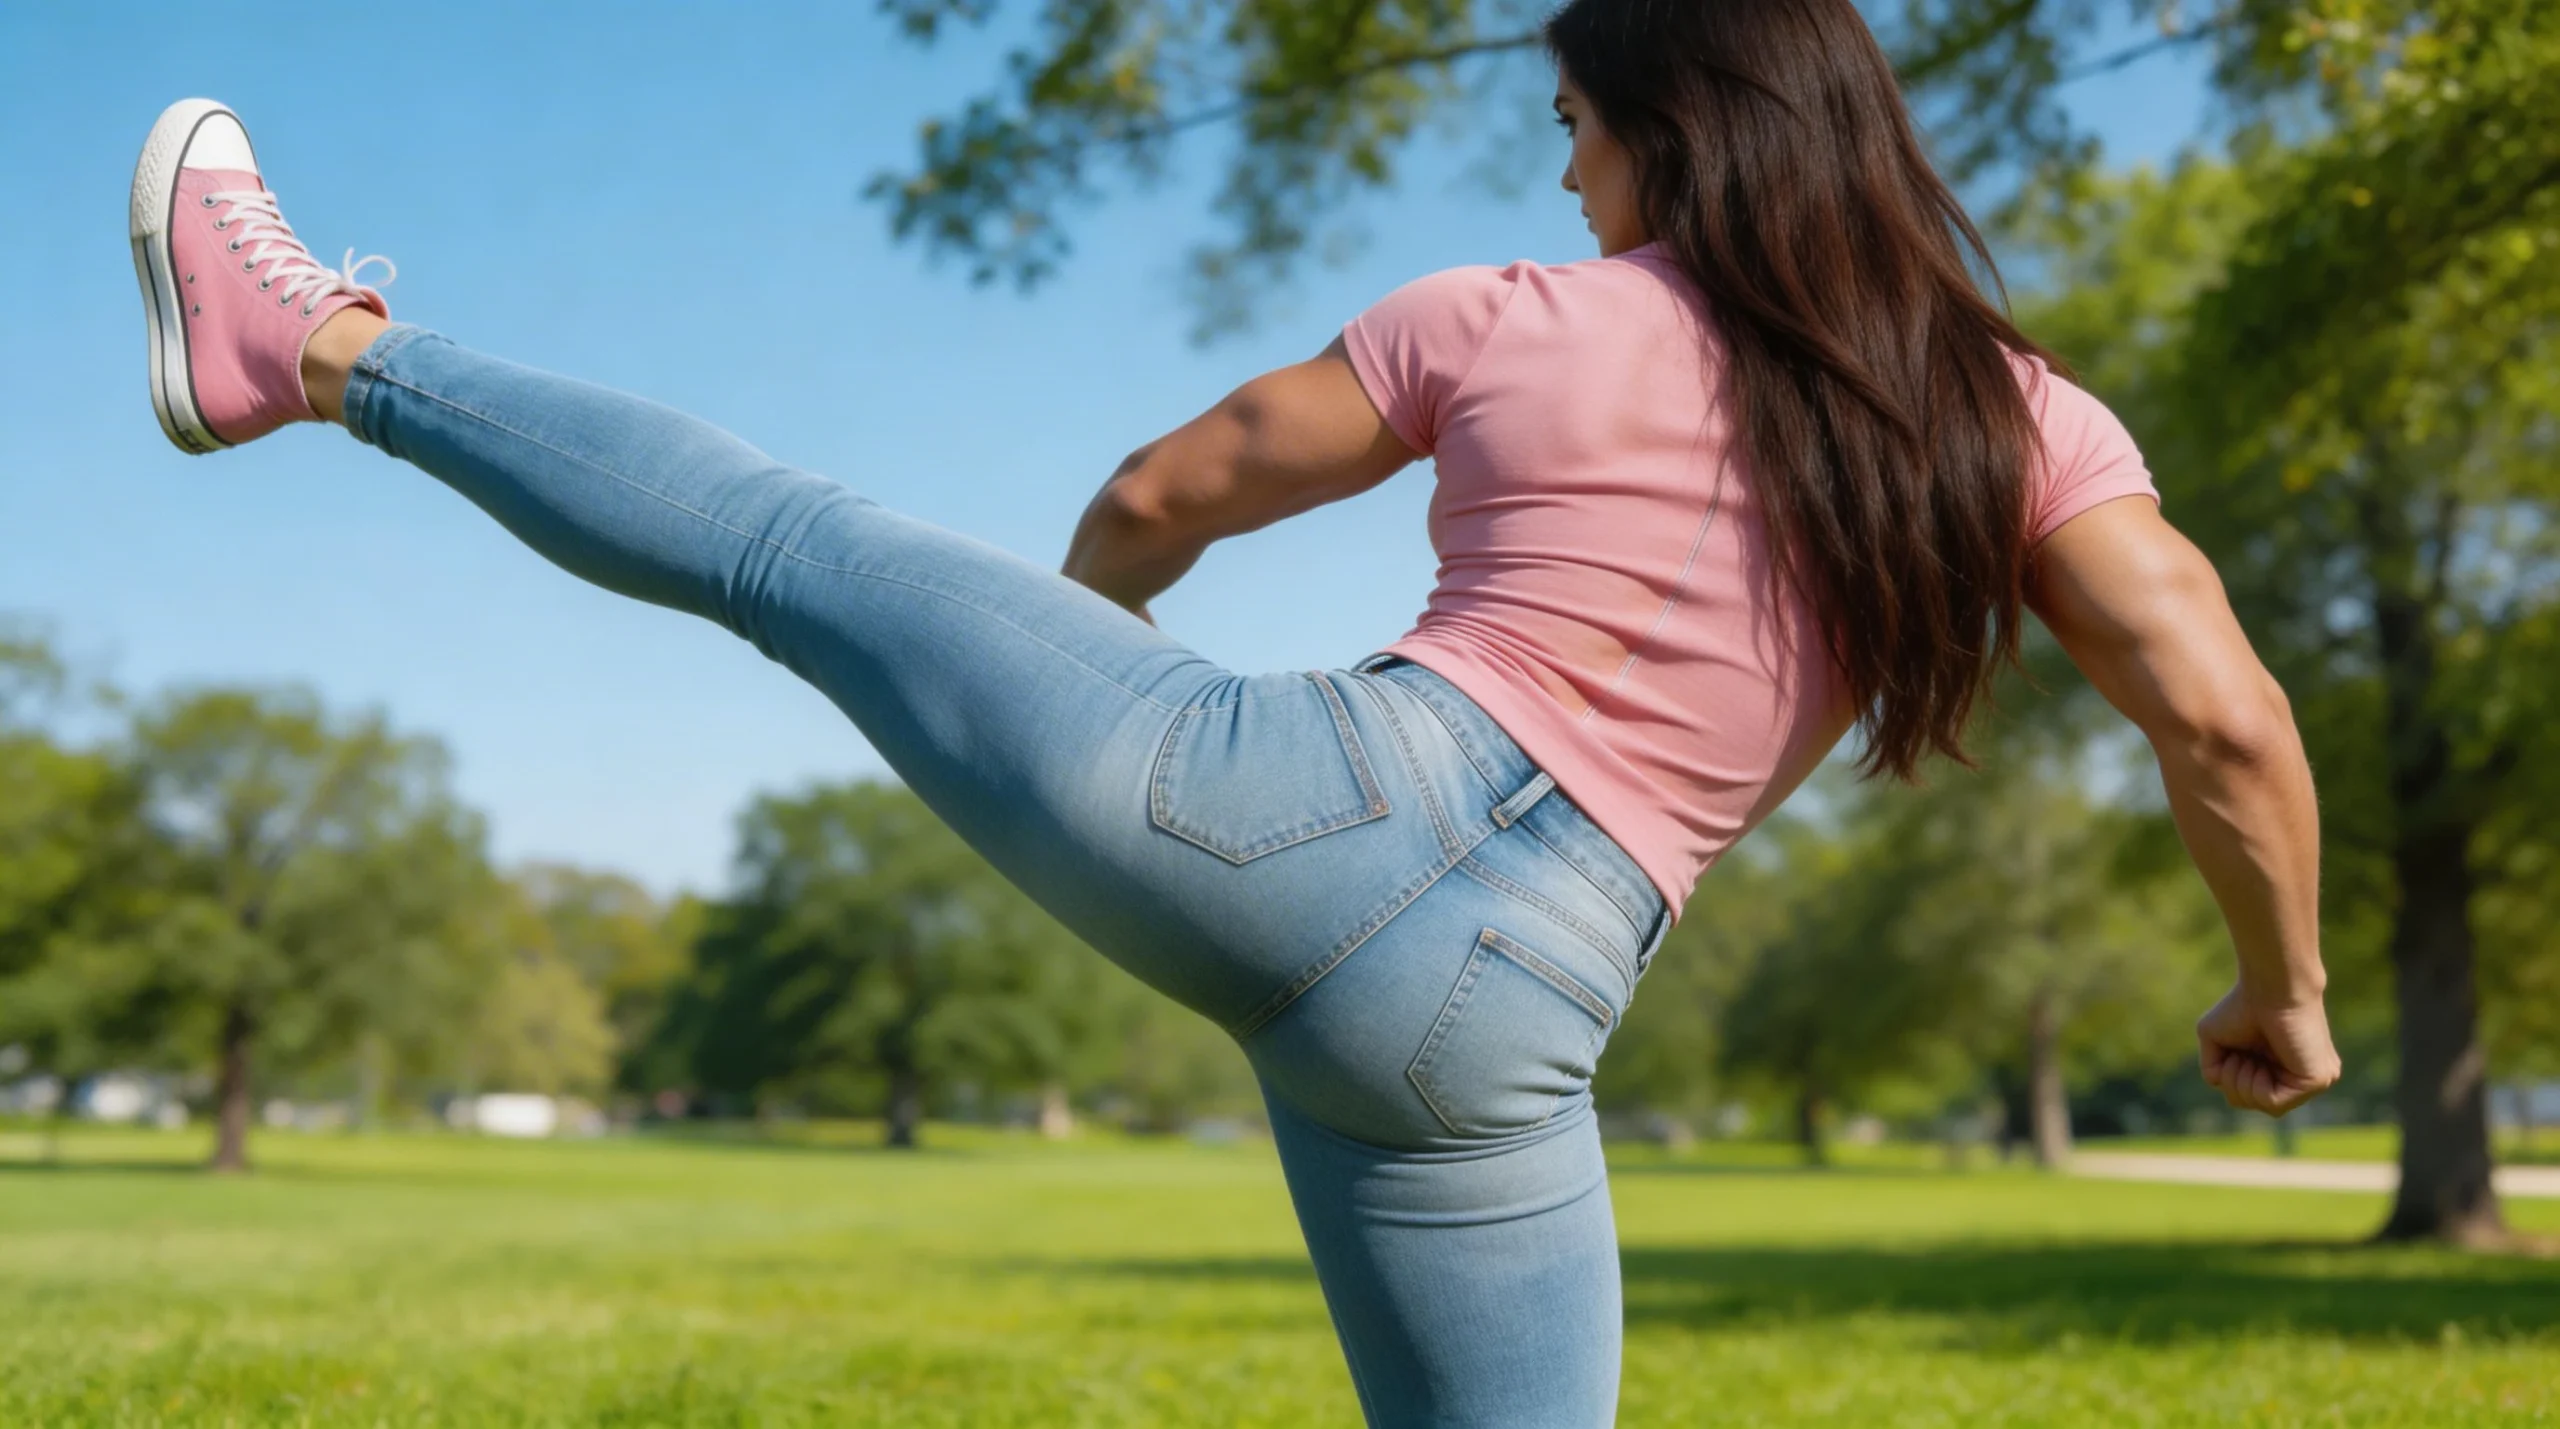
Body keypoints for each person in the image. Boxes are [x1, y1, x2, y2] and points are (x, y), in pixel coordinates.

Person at [126, 0, 2338, 1420]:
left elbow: (1154, 495)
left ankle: (303, 347)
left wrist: (1082, 701)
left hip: (1271, 804)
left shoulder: (1499, 311)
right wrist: (2284, 998)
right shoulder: (2013, 422)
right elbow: (2223, 727)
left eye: (1577, 126)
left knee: (790, 550)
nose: (1562, 173)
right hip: (1514, 1026)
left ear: (1675, 129)